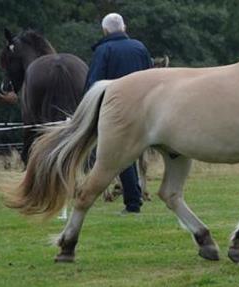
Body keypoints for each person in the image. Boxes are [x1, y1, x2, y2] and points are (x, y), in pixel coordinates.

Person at [84, 12, 153, 214]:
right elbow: (151, 75)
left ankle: (133, 202)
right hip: (145, 107)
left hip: (118, 110)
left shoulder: (104, 50)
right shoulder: (140, 48)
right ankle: (134, 199)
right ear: (124, 28)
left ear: (105, 30)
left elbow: (93, 84)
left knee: (120, 156)